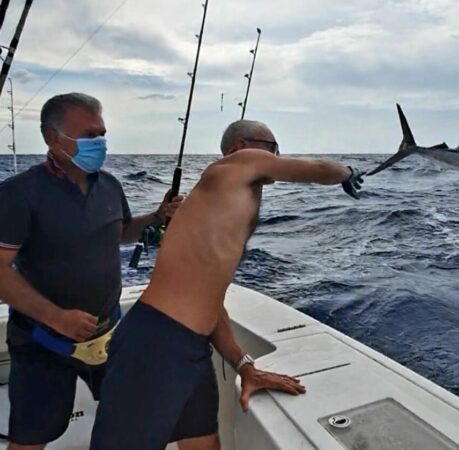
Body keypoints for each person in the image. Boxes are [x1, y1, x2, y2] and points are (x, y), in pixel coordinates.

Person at [89, 120, 365, 449]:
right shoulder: (233, 165)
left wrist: (244, 365)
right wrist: (348, 171)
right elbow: (319, 169)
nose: (276, 157)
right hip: (153, 346)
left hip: (190, 349)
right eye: (272, 148)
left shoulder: (219, 207)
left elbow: (210, 300)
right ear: (238, 147)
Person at [0, 93, 183, 449]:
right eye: (89, 136)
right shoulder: (17, 194)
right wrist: (56, 317)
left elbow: (123, 232)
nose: (99, 143)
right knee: (31, 436)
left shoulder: (111, 186)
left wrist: (158, 216)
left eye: (102, 134)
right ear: (53, 139)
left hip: (109, 335)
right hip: (42, 341)